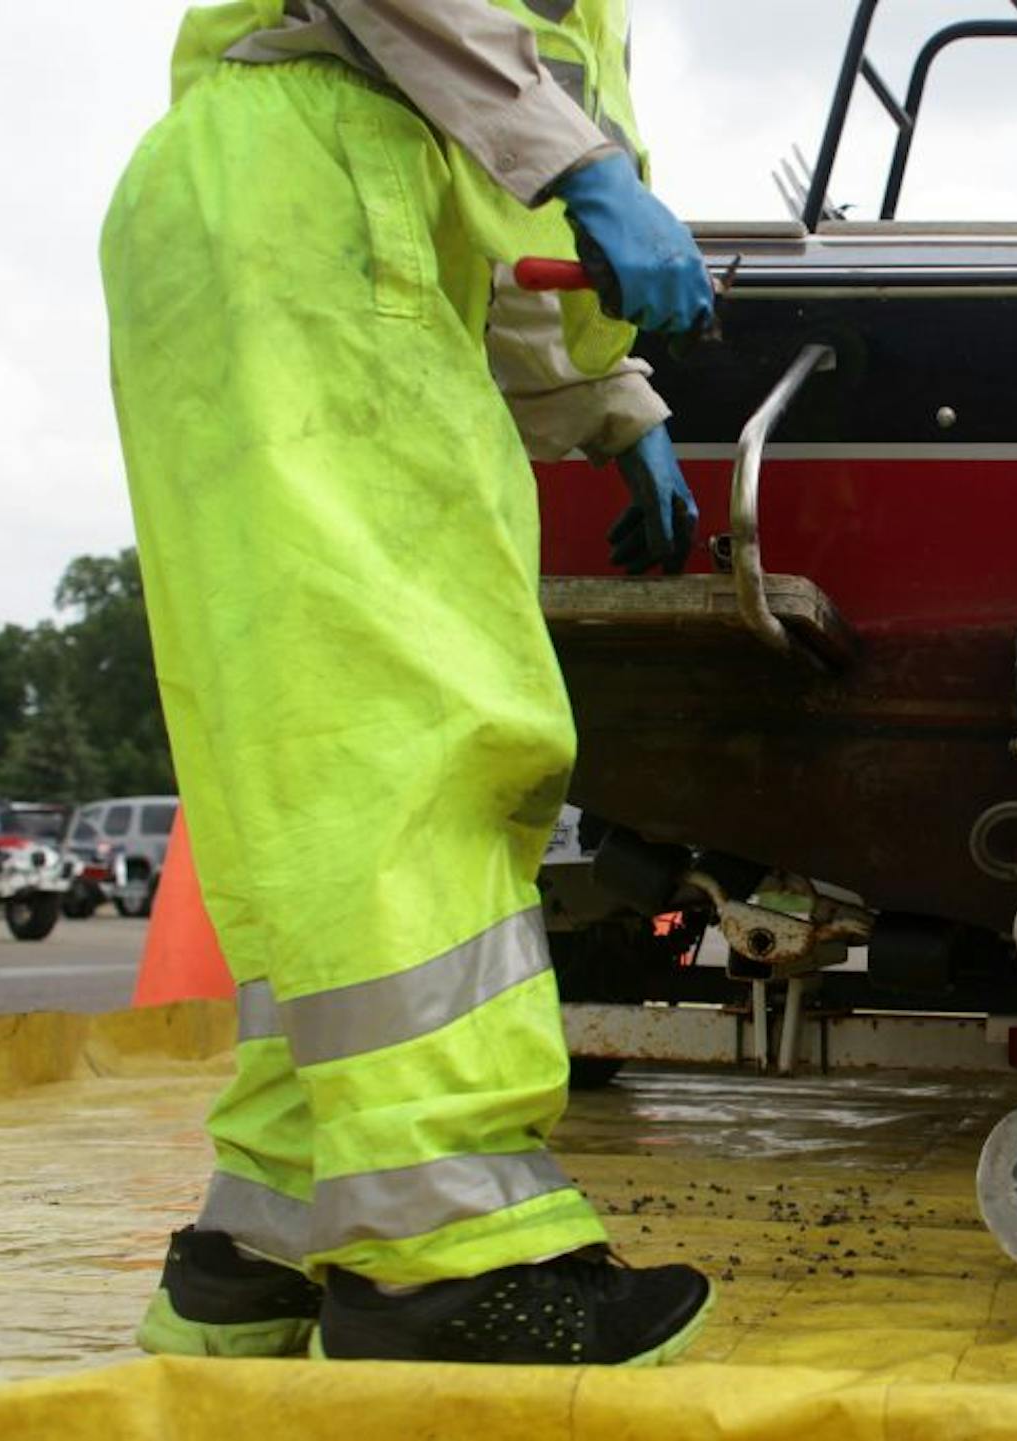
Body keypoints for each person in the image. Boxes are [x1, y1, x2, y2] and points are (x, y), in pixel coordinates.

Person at [104, 0, 715, 1364]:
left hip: (252, 213)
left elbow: (496, 218)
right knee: (421, 741)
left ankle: (260, 1242)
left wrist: (615, 412)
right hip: (326, 213)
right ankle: (450, 1263)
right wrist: (591, 171)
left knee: (306, 771)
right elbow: (488, 127)